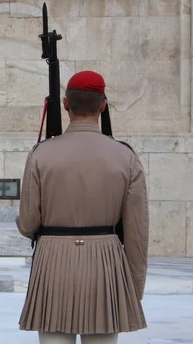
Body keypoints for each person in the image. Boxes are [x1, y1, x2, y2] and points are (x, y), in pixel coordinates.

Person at [16, 70, 149, 344]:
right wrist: (134, 289)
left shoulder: (41, 153)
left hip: (53, 261)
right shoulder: (126, 156)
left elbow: (28, 224)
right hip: (106, 263)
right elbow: (137, 233)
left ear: (65, 104)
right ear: (103, 105)